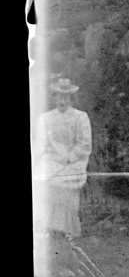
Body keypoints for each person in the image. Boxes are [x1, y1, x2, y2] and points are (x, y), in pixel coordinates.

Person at [34, 78, 92, 238]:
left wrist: (69, 157)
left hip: (73, 162)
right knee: (42, 178)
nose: (62, 101)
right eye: (59, 97)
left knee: (67, 184)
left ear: (71, 99)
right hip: (52, 160)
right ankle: (47, 228)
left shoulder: (80, 117)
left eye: (66, 97)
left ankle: (68, 230)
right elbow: (41, 145)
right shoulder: (45, 119)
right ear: (55, 98)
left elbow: (85, 144)